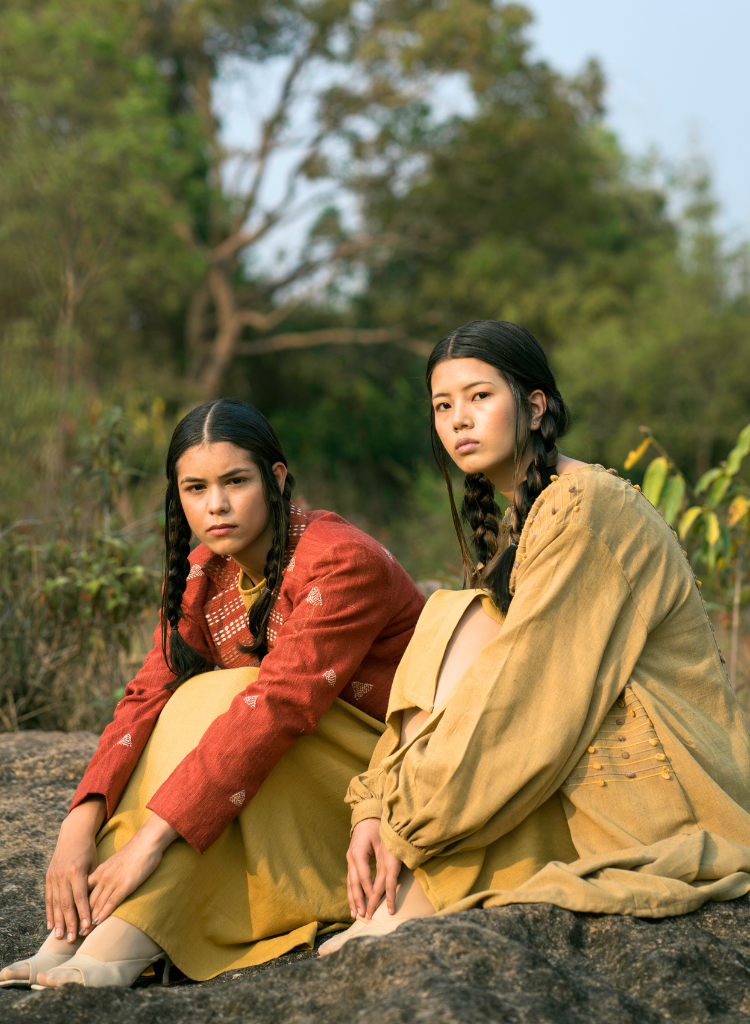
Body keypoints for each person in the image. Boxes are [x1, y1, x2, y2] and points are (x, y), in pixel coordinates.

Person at [320, 319, 750, 956]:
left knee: (455, 618)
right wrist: (376, 805)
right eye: (443, 406)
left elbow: (527, 696)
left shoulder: (585, 507)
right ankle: (406, 883)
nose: (459, 420)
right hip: (569, 729)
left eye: (479, 396)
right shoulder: (525, 515)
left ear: (535, 405)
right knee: (453, 615)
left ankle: (410, 888)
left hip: (662, 786)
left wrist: (402, 824)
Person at [0, 398, 423, 988]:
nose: (215, 505)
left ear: (276, 479)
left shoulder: (341, 561)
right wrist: (78, 824)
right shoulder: (203, 570)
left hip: (371, 780)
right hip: (275, 765)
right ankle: (83, 924)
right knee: (185, 704)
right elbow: (145, 695)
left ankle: (130, 931)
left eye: (235, 482)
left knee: (233, 696)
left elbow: (278, 706)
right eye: (195, 488)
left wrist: (150, 843)